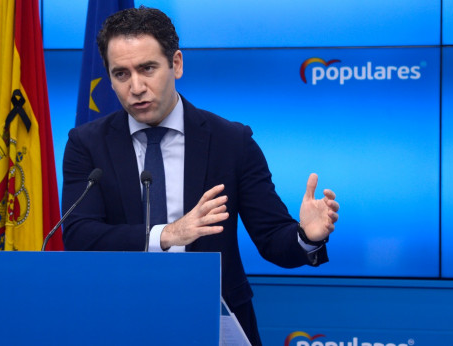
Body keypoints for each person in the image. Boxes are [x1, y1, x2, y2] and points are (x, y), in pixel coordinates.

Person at [61, 6, 339, 345]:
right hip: (119, 319)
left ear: (176, 63)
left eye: (147, 68)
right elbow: (80, 236)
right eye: (121, 74)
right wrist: (168, 234)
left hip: (214, 321)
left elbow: (272, 240)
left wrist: (306, 235)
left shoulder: (231, 141)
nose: (136, 87)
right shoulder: (86, 144)